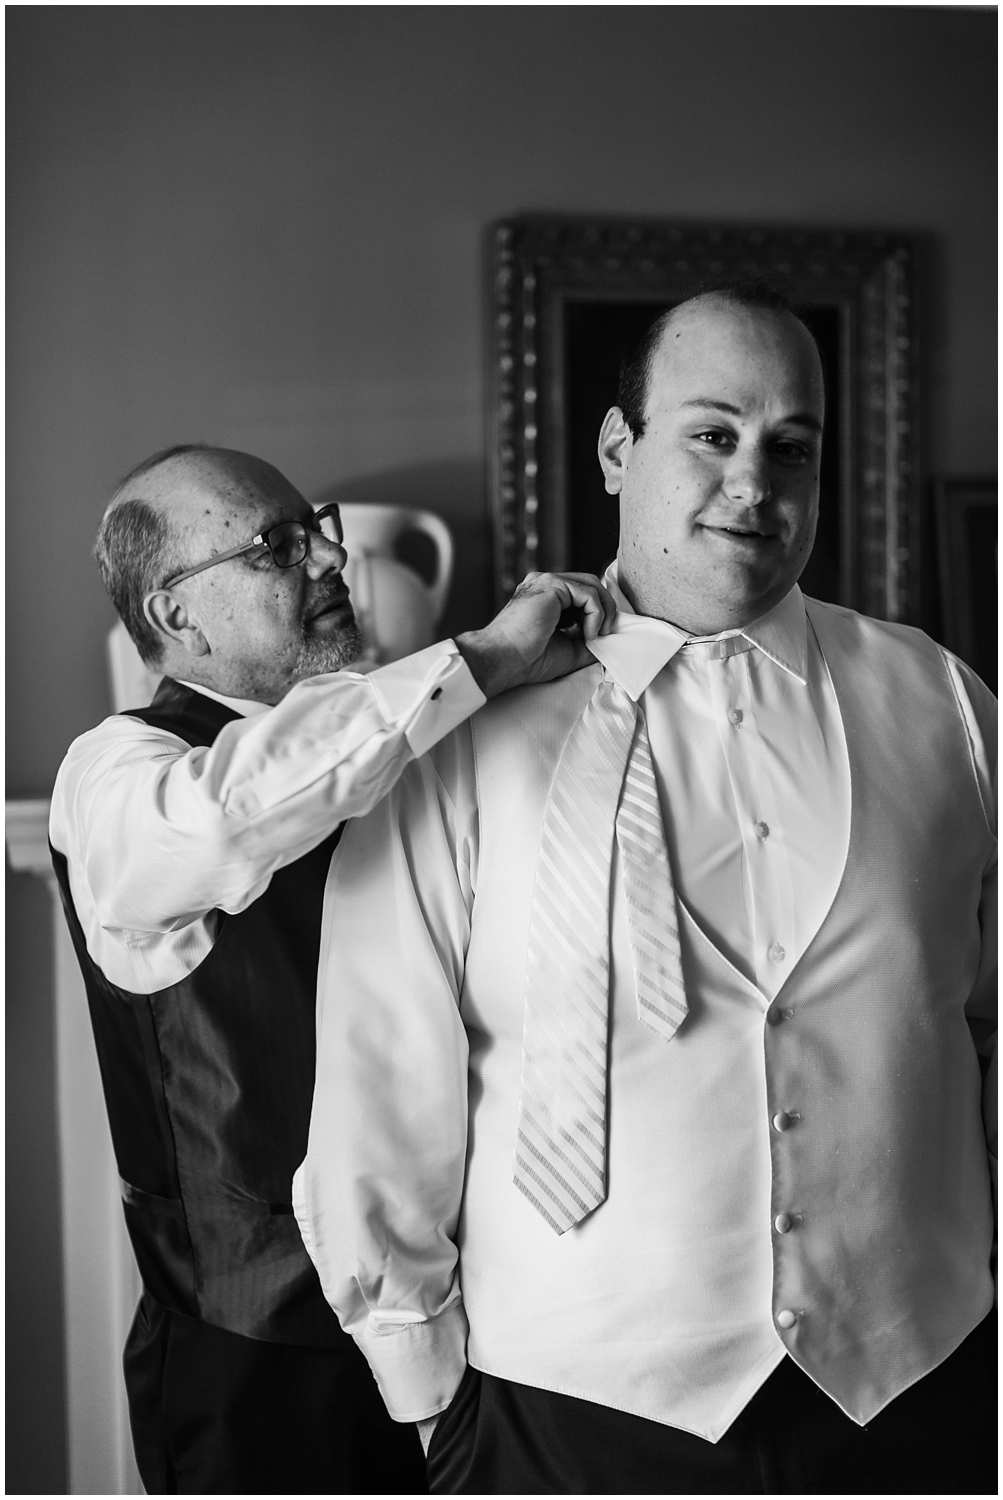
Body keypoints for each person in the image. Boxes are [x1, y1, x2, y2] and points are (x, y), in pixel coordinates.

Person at [294, 287, 997, 1495]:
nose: (754, 483)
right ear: (619, 449)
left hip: (919, 1387)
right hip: (566, 1407)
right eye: (711, 434)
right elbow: (380, 1088)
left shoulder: (940, 704)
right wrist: (428, 1401)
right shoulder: (464, 732)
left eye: (792, 447)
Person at [48, 442, 615, 1496]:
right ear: (178, 619)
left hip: (475, 1327)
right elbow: (228, 817)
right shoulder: (118, 776)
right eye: (277, 547)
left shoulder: (413, 746)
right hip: (259, 1357)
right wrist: (481, 659)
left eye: (315, 531)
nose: (325, 560)